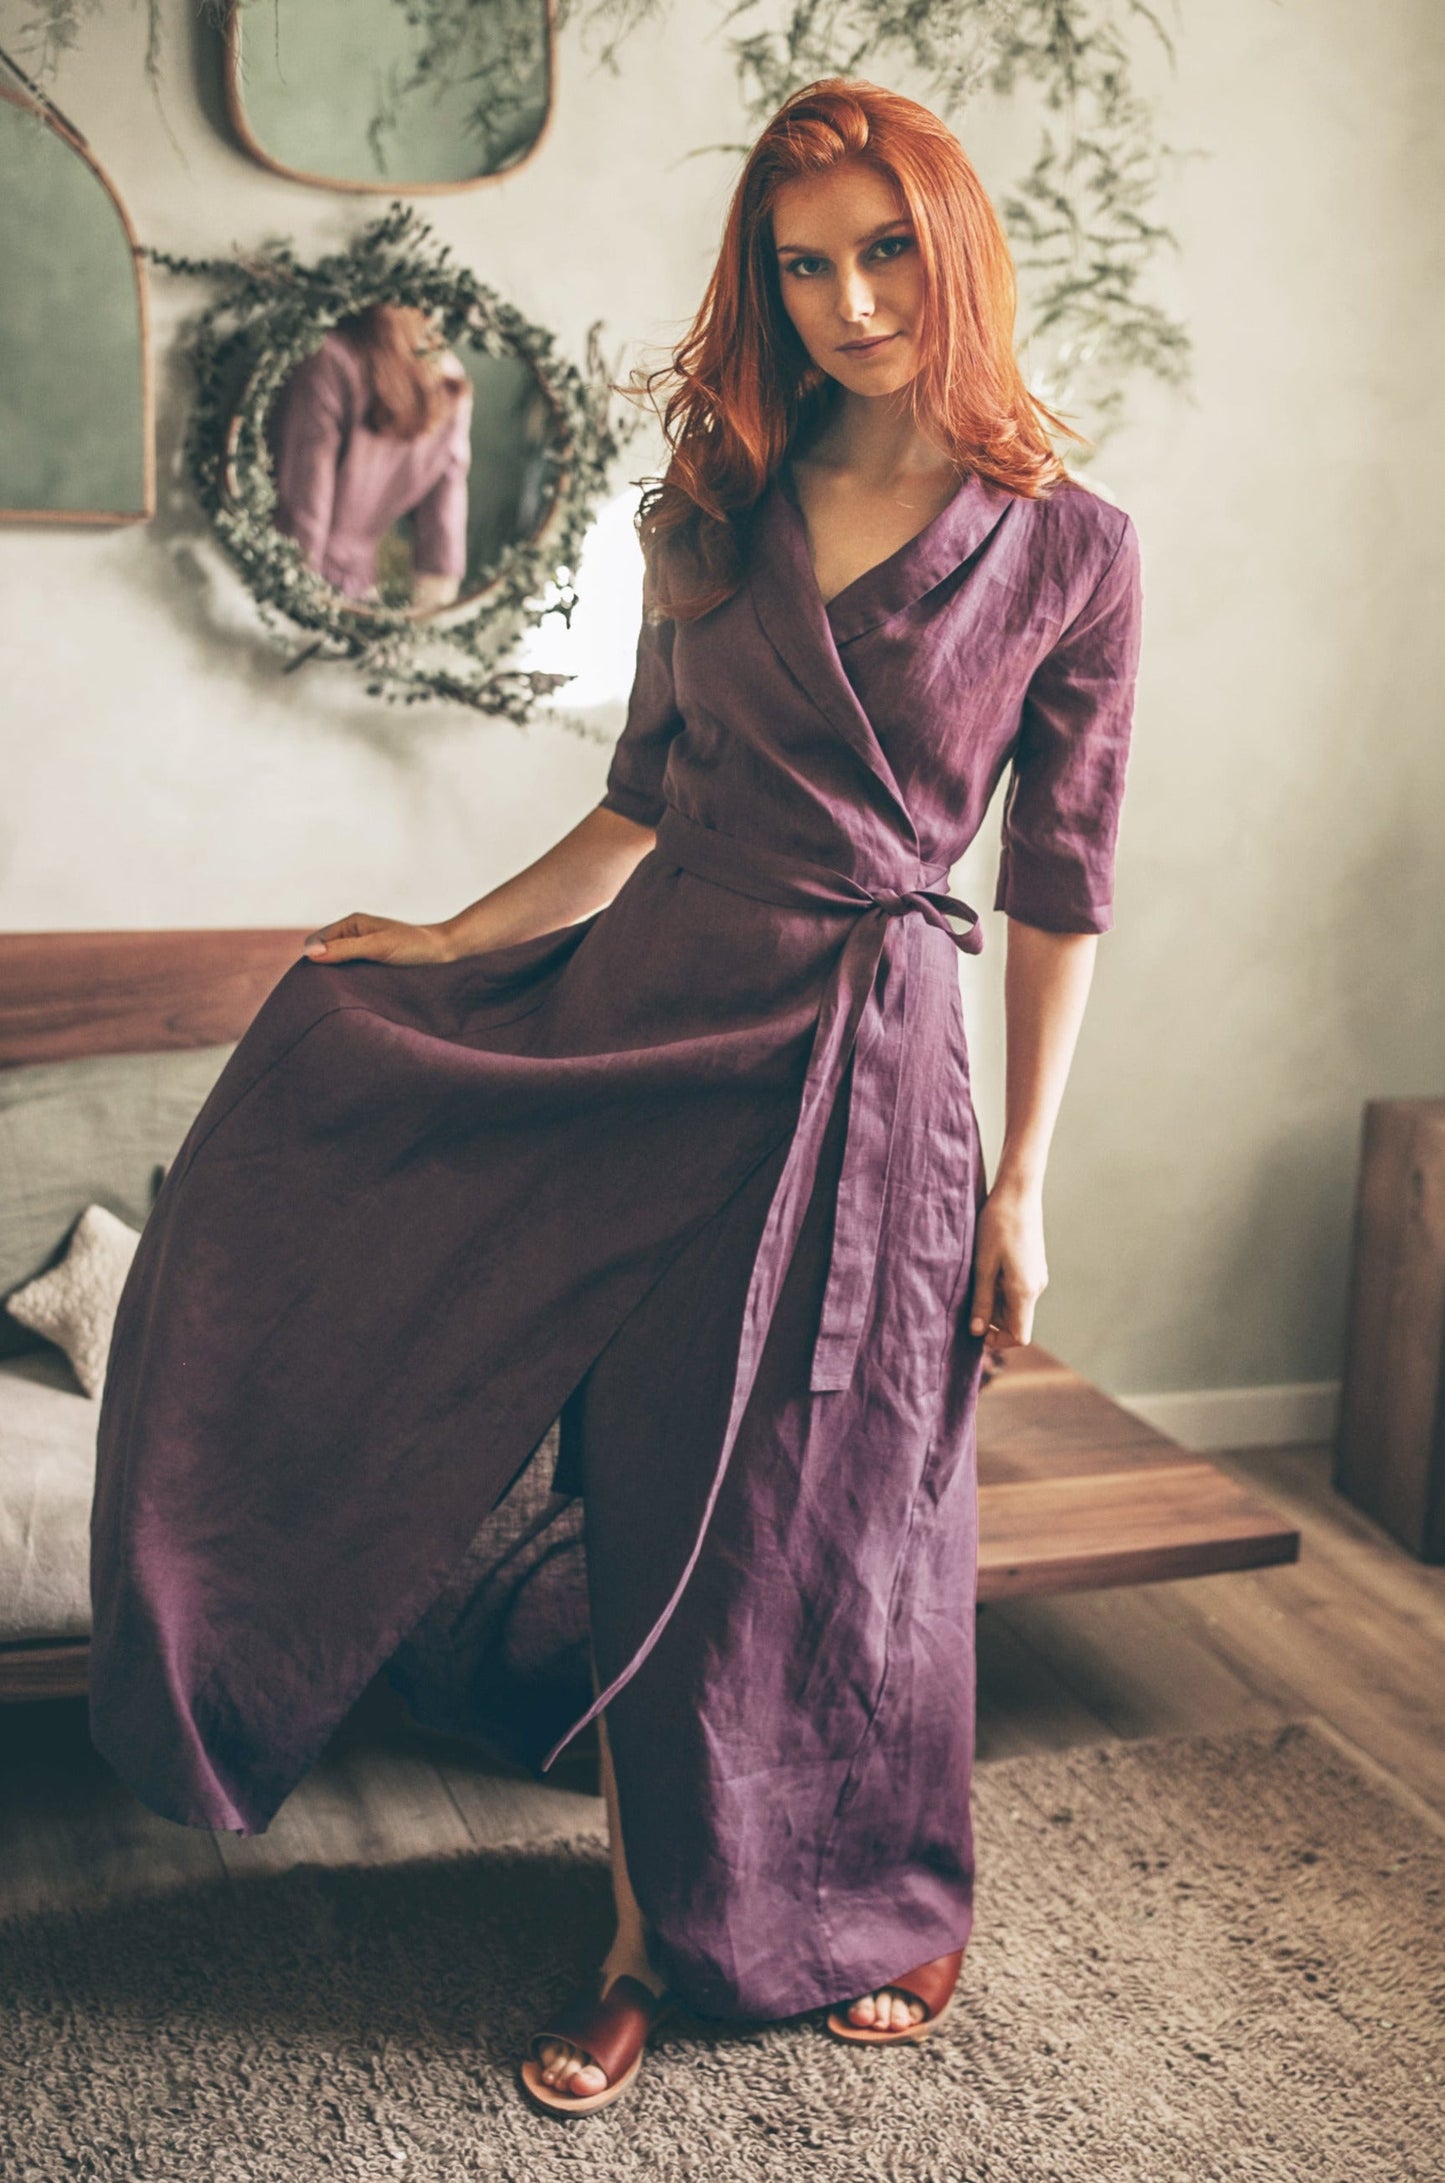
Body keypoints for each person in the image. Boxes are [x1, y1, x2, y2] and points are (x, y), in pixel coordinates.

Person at [87, 77, 1142, 2118]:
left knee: (862, 1514)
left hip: (881, 1062)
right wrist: (438, 941)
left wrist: (1023, 1181)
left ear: (952, 244)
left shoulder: (1072, 552)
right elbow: (636, 810)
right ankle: (646, 1939)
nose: (842, 298)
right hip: (654, 1036)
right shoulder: (708, 498)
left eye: (878, 250)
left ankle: (898, 1894)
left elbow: (1063, 892)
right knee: (661, 1504)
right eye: (800, 261)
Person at [268, 303, 473, 609]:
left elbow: (300, 530)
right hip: (361, 599)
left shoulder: (328, 358)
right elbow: (441, 559)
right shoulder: (447, 374)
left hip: (291, 596)